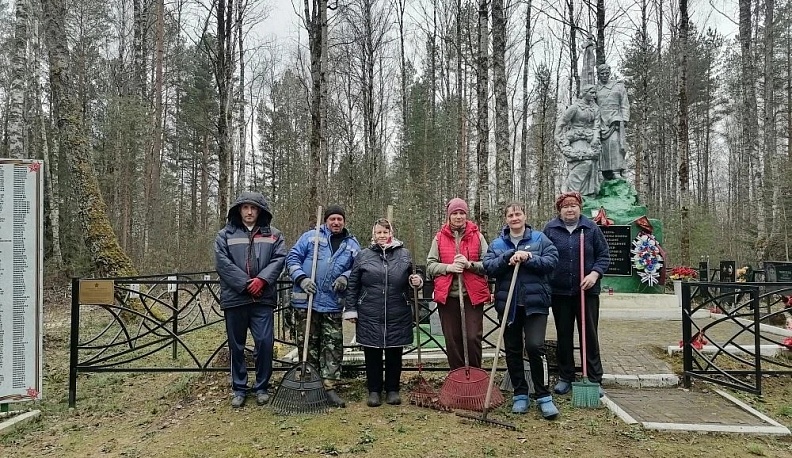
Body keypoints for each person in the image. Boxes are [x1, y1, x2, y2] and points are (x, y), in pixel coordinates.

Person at [482, 202, 559, 419]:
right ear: (506, 219)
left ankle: (543, 395)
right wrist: (508, 257)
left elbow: (552, 262)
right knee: (513, 349)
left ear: (525, 216)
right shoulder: (498, 243)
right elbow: (488, 267)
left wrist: (529, 257)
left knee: (535, 347)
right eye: (510, 215)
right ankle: (520, 393)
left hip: (535, 305)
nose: (515, 218)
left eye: (518, 214)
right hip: (509, 305)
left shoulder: (540, 239)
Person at [215, 192, 287, 408]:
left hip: (262, 299)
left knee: (265, 343)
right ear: (239, 210)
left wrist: (262, 281)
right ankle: (239, 388)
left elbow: (279, 258)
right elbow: (222, 263)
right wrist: (246, 284)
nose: (249, 212)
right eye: (245, 207)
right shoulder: (225, 235)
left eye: (253, 208)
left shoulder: (274, 235)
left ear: (260, 211)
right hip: (235, 298)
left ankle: (262, 386)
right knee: (236, 346)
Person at [343, 218, 423, 407]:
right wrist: (351, 309)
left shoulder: (404, 254)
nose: (382, 236)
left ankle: (393, 389)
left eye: (385, 232)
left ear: (391, 234)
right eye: (378, 232)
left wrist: (417, 280)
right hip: (370, 311)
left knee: (395, 351)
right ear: (373, 235)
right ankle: (374, 390)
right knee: (372, 352)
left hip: (397, 310)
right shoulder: (363, 255)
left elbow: (415, 273)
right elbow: (353, 283)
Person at [287, 205, 361, 408]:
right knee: (307, 346)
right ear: (326, 221)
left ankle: (329, 388)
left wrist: (345, 278)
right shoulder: (311, 237)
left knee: (332, 347)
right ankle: (310, 387)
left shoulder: (352, 245)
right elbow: (292, 257)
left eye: (339, 219)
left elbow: (358, 268)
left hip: (332, 303)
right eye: (332, 219)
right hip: (306, 302)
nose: (336, 222)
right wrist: (301, 278)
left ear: (344, 221)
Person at [543, 192, 610, 397]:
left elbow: (604, 256)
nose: (569, 210)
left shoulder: (591, 229)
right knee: (564, 335)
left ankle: (593, 377)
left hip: (587, 292)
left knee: (588, 334)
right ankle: (566, 376)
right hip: (560, 292)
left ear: (579, 208)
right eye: (565, 207)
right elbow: (543, 253)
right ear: (560, 210)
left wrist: (594, 274)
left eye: (573, 206)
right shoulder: (551, 229)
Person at [425, 198, 491, 370]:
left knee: (472, 337)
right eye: (455, 213)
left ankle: (475, 375)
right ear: (449, 215)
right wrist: (449, 267)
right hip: (448, 297)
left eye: (462, 213)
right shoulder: (439, 238)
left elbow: (489, 264)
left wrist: (470, 264)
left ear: (466, 215)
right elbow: (430, 266)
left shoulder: (477, 236)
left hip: (472, 297)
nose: (459, 216)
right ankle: (458, 376)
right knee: (452, 339)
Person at [555, 83, 601, 196]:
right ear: (585, 93)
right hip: (576, 139)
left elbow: (597, 126)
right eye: (592, 92)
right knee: (585, 162)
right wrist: (561, 142)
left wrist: (595, 139)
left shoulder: (595, 108)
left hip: (590, 140)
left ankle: (587, 195)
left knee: (592, 167)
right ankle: (570, 190)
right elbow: (561, 123)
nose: (594, 95)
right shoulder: (575, 107)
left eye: (595, 93)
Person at [595, 63, 630, 180]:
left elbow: (624, 103)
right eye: (602, 74)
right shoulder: (595, 89)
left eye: (606, 73)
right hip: (600, 120)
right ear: (598, 75)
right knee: (602, 147)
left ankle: (616, 170)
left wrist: (625, 118)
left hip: (615, 119)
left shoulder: (618, 86)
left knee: (615, 143)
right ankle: (602, 172)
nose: (605, 76)